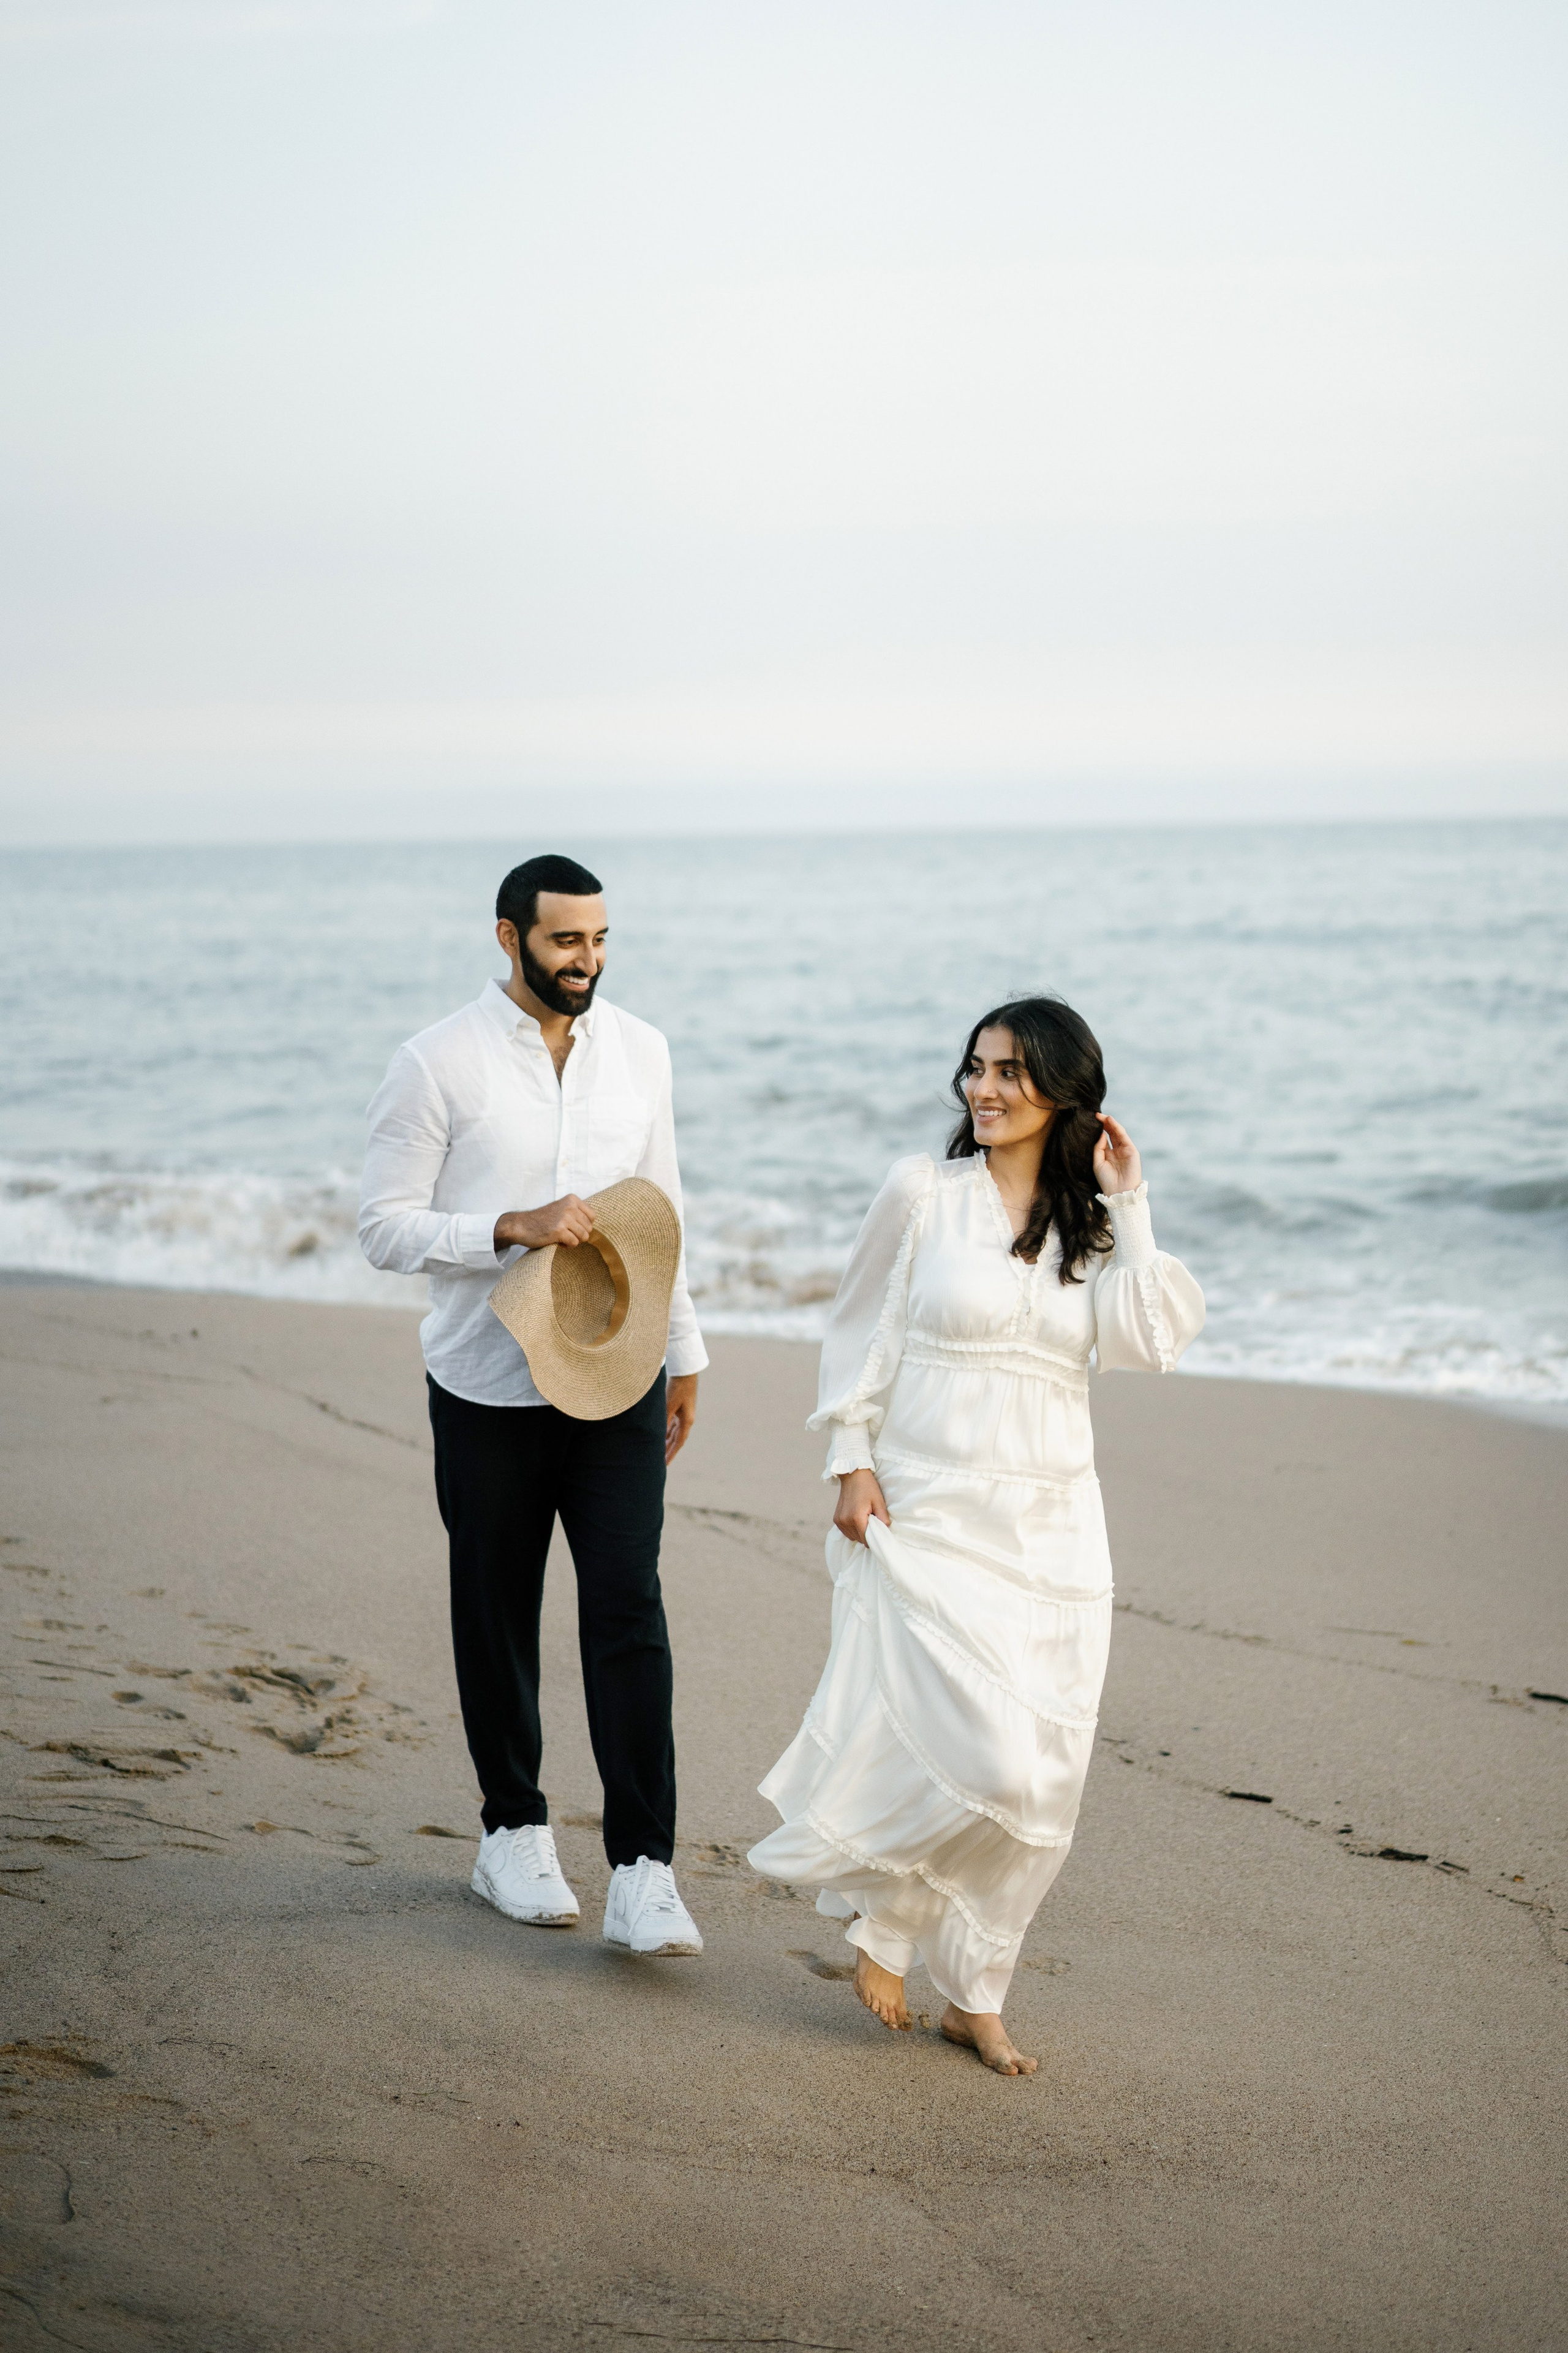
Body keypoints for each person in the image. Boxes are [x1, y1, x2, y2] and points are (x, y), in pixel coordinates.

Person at [748, 997, 1204, 2072]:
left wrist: (1132, 1202)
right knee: (970, 1745)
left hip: (1054, 1523)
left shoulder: (1092, 1225)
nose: (985, 1090)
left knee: (1041, 1778)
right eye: (976, 1068)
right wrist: (849, 1458)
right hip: (930, 1506)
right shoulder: (923, 1193)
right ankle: (894, 1927)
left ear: (1064, 1091)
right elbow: (858, 1328)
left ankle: (980, 1992)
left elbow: (1148, 1341)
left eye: (1012, 1073)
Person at [359, 852, 709, 1957]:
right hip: (485, 1384)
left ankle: (645, 1869)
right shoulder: (436, 1063)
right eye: (566, 942)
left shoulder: (642, 1051)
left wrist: (685, 1352)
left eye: (601, 941)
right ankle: (510, 1830)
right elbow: (383, 1226)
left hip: (618, 1375)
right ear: (509, 937)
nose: (587, 963)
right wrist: (505, 1226)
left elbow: (661, 1215)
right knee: (498, 1610)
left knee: (627, 1610)